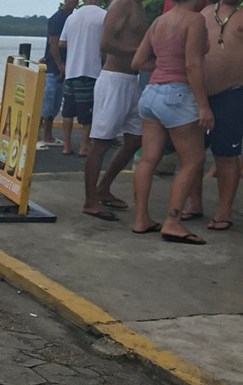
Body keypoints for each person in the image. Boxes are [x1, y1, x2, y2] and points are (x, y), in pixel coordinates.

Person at [132, 0, 214, 243]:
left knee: (148, 159)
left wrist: (164, 67)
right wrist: (203, 105)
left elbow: (137, 62)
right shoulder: (195, 20)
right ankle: (173, 221)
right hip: (178, 95)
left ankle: (141, 219)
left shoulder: (159, 21)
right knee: (193, 160)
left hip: (151, 94)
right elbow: (192, 64)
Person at [82, 0, 148, 221]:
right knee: (101, 143)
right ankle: (90, 201)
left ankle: (104, 187)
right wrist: (142, 51)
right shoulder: (122, 4)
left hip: (131, 80)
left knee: (135, 140)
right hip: (114, 80)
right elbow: (106, 43)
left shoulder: (138, 5)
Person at [185, 0, 243, 229]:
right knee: (193, 153)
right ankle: (195, 204)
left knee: (226, 155)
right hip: (199, 95)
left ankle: (224, 210)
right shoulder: (205, 13)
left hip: (232, 93)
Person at [60, 0, 110, 157]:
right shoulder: (104, 16)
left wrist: (77, 44)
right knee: (88, 113)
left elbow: (62, 43)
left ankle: (66, 146)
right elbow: (106, 45)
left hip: (71, 71)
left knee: (68, 112)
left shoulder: (72, 17)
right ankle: (83, 146)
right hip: (90, 71)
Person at [40, 0, 80, 149]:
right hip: (53, 68)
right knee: (46, 104)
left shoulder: (72, 18)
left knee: (55, 105)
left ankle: (48, 136)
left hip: (64, 68)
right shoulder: (57, 18)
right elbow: (53, 43)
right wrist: (59, 64)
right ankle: (38, 137)